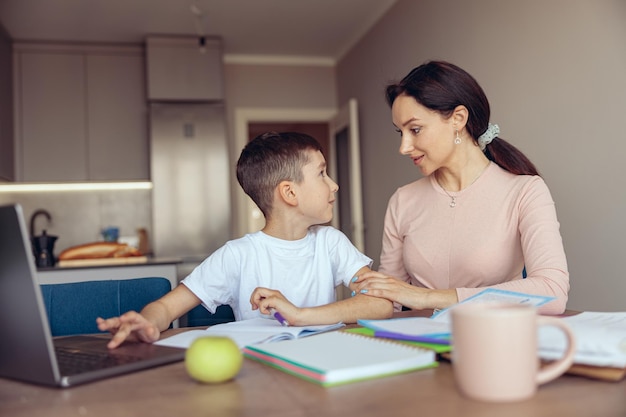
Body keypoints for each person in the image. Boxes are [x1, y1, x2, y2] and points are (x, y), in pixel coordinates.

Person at [98, 131, 393, 348]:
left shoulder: (331, 242)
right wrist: (147, 322)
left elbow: (381, 304)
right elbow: (165, 308)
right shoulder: (237, 255)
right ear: (290, 193)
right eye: (322, 174)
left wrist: (302, 315)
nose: (335, 185)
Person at [353, 60, 569, 314]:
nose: (404, 147)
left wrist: (427, 298)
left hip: (493, 342)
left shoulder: (525, 191)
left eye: (415, 129)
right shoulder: (402, 201)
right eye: (401, 133)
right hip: (420, 347)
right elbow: (389, 298)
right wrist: (306, 315)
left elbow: (552, 291)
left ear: (458, 118)